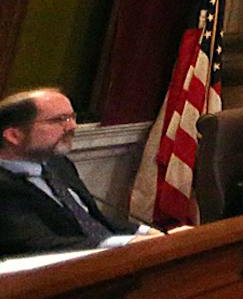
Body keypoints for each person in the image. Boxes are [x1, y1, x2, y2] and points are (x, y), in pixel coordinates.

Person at [0, 89, 163, 256]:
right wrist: (125, 243)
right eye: (59, 120)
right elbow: (36, 243)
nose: (72, 126)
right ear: (14, 135)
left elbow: (92, 220)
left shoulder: (58, 164)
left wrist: (143, 232)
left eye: (72, 117)